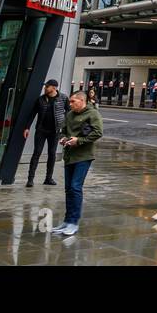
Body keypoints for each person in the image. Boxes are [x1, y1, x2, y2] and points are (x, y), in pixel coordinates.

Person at [55, 90, 103, 236]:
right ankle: (67, 221)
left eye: (73, 102)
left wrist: (79, 141)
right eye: (69, 102)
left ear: (82, 101)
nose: (70, 104)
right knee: (68, 188)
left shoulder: (92, 114)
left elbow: (98, 132)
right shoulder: (70, 114)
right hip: (70, 155)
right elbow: (62, 130)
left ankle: (74, 222)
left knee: (75, 187)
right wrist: (63, 138)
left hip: (83, 156)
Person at [23, 78, 66, 186]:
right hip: (41, 130)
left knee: (52, 154)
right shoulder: (40, 99)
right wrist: (27, 128)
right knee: (36, 153)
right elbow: (32, 113)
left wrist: (64, 125)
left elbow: (69, 112)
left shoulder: (63, 98)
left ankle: (48, 178)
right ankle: (30, 179)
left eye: (47, 86)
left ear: (54, 88)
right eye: (45, 86)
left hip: (55, 131)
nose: (45, 88)